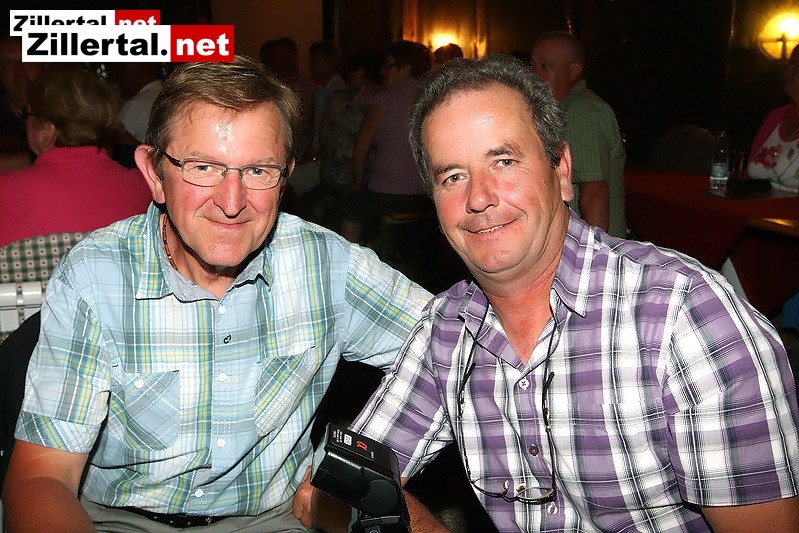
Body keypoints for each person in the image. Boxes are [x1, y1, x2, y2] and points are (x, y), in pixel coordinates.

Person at [298, 54, 799, 532]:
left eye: (504, 161)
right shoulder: (447, 329)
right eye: (453, 176)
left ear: (561, 171)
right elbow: (328, 492)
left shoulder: (684, 315)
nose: (478, 197)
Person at [2, 55, 432, 532]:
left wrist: (357, 462)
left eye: (258, 171)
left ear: (285, 176)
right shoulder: (95, 275)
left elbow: (460, 352)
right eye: (203, 166)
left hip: (272, 520)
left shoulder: (327, 265)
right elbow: (42, 476)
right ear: (154, 174)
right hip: (117, 521)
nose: (232, 203)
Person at [0, 64, 151, 247]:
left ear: (48, 128)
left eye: (27, 115)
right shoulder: (144, 187)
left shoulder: (6, 191)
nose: (26, 124)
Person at [530, 31, 626, 238]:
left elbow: (595, 192)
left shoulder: (582, 111)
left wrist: (594, 253)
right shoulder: (563, 110)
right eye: (533, 65)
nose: (534, 74)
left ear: (573, 71)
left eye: (544, 66)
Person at [341, 40, 433, 244]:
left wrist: (357, 181)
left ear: (406, 68)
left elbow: (361, 148)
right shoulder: (433, 98)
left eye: (389, 65)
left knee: (351, 206)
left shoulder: (383, 100)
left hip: (387, 193)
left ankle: (352, 258)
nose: (382, 71)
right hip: (426, 195)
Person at [748, 44, 799, 192]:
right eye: (789, 65)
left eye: (796, 67)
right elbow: (748, 175)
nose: (787, 74)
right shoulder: (777, 117)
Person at [0, 35, 45, 171]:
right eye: (8, 63)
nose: (19, 70)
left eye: (27, 60)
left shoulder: (64, 113)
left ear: (44, 65)